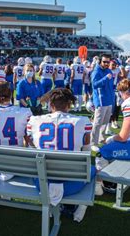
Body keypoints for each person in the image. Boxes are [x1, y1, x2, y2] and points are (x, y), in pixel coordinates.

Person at [27, 88, 94, 222]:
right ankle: (81, 204)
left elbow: (31, 145)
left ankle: (53, 206)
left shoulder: (34, 120)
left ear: (50, 105)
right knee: (92, 168)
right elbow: (86, 149)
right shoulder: (83, 121)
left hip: (42, 183)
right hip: (71, 184)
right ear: (69, 105)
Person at [90, 54, 114, 145]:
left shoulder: (109, 70)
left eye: (108, 62)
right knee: (97, 123)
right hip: (101, 100)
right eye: (104, 62)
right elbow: (95, 85)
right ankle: (93, 142)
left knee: (105, 122)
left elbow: (111, 86)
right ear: (100, 61)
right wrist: (105, 78)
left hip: (109, 100)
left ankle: (101, 138)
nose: (106, 64)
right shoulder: (96, 71)